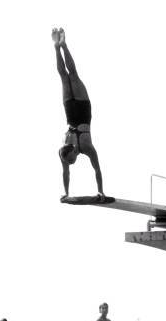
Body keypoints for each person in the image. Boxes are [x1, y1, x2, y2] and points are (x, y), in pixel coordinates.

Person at [52, 27, 105, 201]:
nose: (71, 163)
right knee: (66, 76)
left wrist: (100, 192)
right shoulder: (83, 150)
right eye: (70, 161)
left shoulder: (69, 150)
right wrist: (100, 191)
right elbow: (95, 170)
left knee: (68, 75)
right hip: (82, 112)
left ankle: (61, 45)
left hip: (72, 111)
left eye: (71, 160)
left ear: (72, 151)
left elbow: (94, 170)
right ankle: (58, 46)